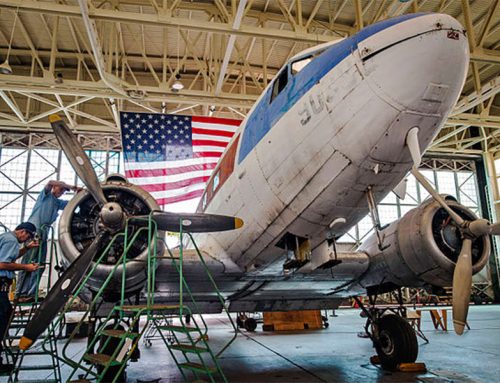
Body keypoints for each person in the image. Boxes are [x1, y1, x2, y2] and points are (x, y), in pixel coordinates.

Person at [16, 180, 81, 302]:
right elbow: (50, 182)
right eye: (60, 189)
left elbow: (73, 204)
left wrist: (80, 194)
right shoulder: (45, 196)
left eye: (63, 191)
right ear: (54, 187)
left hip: (44, 233)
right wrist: (72, 187)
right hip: (34, 231)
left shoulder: (58, 202)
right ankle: (21, 293)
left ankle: (31, 293)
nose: (61, 192)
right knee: (28, 262)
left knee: (40, 265)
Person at [0, 222, 39, 373]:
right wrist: (26, 267)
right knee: (2, 322)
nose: (27, 239)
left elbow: (11, 256)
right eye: (28, 236)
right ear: (22, 231)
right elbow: (3, 264)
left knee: (5, 317)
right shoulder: (11, 240)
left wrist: (26, 249)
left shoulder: (6, 238)